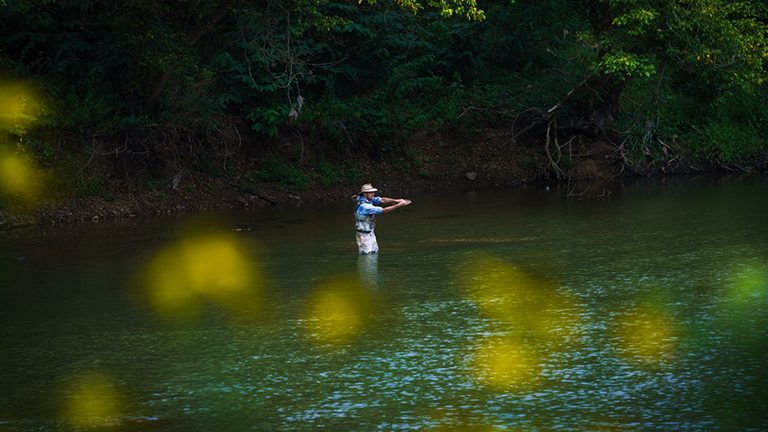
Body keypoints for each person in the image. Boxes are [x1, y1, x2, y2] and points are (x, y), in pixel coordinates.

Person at [354, 183, 411, 254]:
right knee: (366, 256)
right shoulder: (365, 206)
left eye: (373, 192)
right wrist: (399, 205)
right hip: (364, 236)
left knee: (375, 253)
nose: (373, 194)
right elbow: (384, 210)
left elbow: (382, 200)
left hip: (370, 232)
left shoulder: (368, 199)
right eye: (371, 192)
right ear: (364, 194)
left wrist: (397, 200)